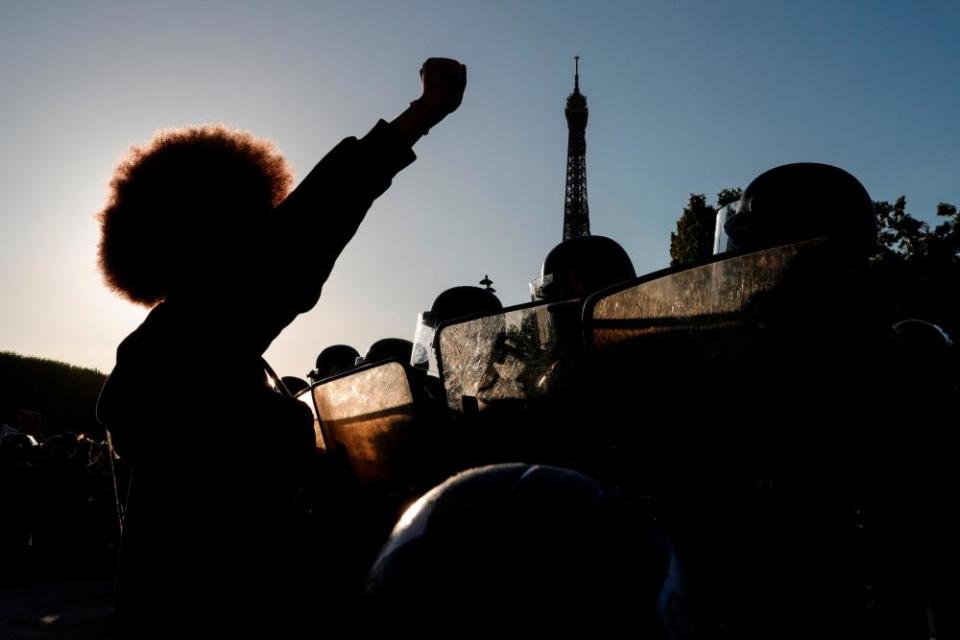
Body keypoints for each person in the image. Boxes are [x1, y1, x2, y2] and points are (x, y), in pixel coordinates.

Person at [95, 58, 467, 636]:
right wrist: (422, 115)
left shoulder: (169, 340)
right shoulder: (205, 324)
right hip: (220, 605)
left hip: (166, 600)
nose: (267, 231)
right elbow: (316, 218)